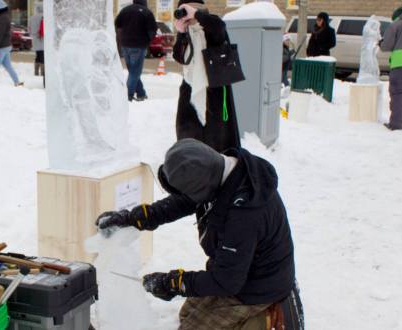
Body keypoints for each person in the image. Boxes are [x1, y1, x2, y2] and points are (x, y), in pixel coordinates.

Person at [96, 138, 303, 330]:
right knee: (188, 313)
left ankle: (263, 318)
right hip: (239, 269)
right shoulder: (219, 171)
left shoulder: (244, 215)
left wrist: (175, 283)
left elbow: (226, 281)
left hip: (258, 285)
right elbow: (184, 200)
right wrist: (135, 218)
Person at [172, 0, 241, 153]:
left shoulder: (211, 25)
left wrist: (196, 14)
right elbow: (179, 57)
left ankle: (217, 166)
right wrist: (182, 33)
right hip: (190, 87)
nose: (186, 15)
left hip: (214, 88)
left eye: (189, 10)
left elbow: (219, 28)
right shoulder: (187, 31)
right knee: (187, 131)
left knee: (216, 137)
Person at [115, 0, 157, 101]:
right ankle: (127, 96)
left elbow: (117, 24)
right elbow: (152, 30)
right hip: (138, 45)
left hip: (125, 45)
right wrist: (148, 41)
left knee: (133, 71)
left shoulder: (125, 10)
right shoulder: (147, 12)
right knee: (135, 72)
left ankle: (141, 93)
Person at [0, 0, 23, 87]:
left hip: (1, 47)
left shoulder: (2, 18)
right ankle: (17, 82)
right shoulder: (3, 16)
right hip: (5, 46)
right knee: (8, 66)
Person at [28, 2, 44, 78]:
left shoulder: (31, 18)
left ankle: (36, 72)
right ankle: (43, 72)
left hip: (35, 39)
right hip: (43, 38)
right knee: (43, 55)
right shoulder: (44, 16)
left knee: (38, 54)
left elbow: (29, 30)